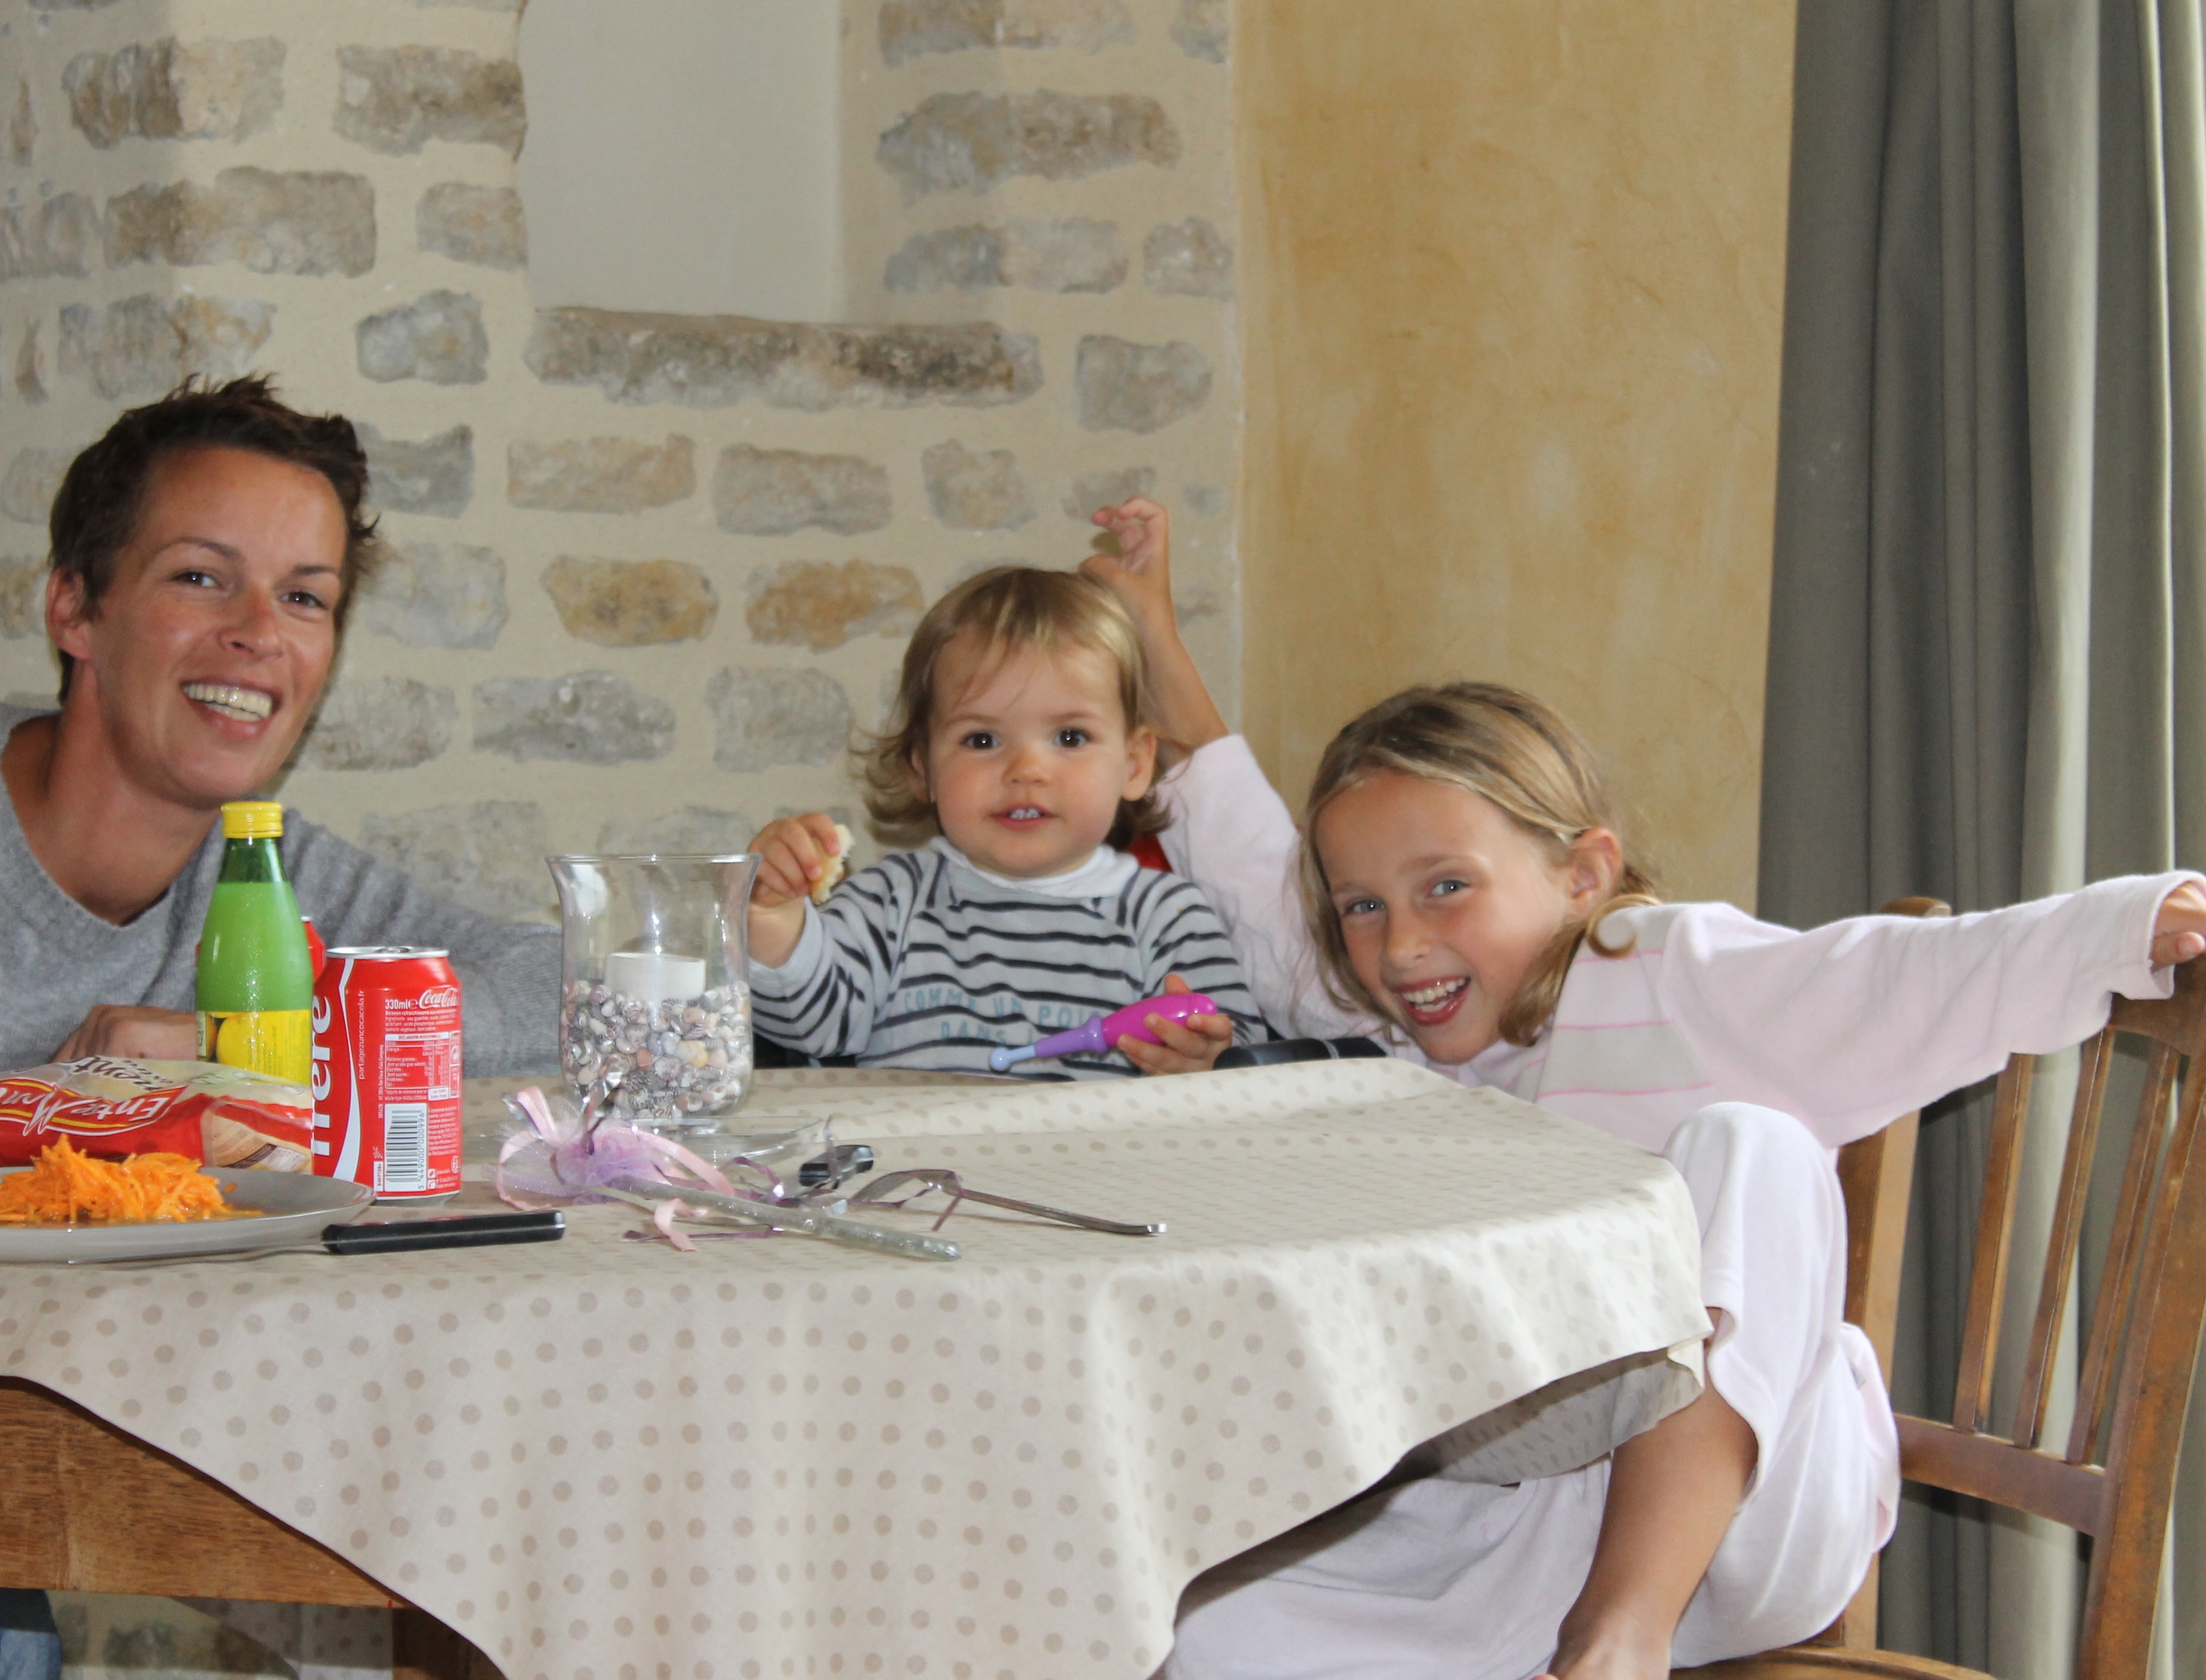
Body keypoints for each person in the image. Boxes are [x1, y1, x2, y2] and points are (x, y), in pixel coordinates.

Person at [1081, 499, 2206, 1679]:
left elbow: (1902, 974)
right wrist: (1157, 637)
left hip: (1757, 1507)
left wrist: (2122, 923)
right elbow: (1262, 880)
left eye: (1447, 885)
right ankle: (1586, 1634)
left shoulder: (1671, 968)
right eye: (1364, 905)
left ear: (1583, 873)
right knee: (1191, 1629)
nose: (1402, 943)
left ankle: (1623, 1634)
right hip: (1537, 1525)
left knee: (1751, 1144)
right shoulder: (1393, 1022)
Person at [0, 376, 560, 1679]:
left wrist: (241, 1040)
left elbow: (556, 979)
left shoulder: (264, 882)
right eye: (203, 577)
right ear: (74, 608)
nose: (258, 633)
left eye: (306, 596)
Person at [744, 565, 1265, 1077]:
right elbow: (807, 1024)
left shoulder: (1168, 916)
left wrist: (1205, 1058)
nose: (1026, 770)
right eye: (983, 740)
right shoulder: (892, 903)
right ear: (923, 769)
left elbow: (1243, 1059)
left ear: (1133, 765)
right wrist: (772, 916)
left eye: (1070, 737)